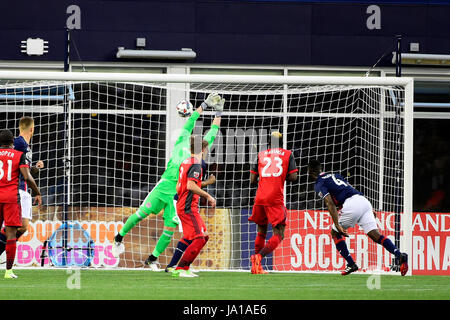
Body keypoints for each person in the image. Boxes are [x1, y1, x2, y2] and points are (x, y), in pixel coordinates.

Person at [112, 93, 224, 270]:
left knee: (170, 228)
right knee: (141, 214)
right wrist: (204, 105)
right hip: (164, 185)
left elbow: (213, 131)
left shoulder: (200, 149)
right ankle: (118, 238)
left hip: (177, 194)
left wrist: (218, 113)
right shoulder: (181, 141)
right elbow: (192, 120)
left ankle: (152, 258)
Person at [307, 159, 409, 276]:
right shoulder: (335, 175)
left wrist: (337, 224)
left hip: (351, 204)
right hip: (363, 201)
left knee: (335, 233)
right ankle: (400, 255)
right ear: (320, 169)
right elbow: (350, 189)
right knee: (375, 235)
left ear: (310, 171)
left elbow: (329, 203)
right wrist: (368, 209)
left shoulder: (319, 183)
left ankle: (351, 263)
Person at [248, 132, 298, 274]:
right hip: (275, 198)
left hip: (260, 197)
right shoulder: (287, 154)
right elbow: (294, 177)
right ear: (281, 143)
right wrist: (281, 176)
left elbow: (252, 180)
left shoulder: (261, 154)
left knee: (261, 230)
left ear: (269, 143)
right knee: (279, 234)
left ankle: (256, 267)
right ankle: (258, 257)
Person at [171, 136, 216, 278]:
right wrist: (208, 196)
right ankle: (181, 267)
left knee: (201, 236)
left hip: (185, 205)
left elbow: (183, 184)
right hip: (188, 206)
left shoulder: (185, 162)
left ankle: (180, 266)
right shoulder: (196, 164)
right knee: (200, 238)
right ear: (203, 150)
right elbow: (190, 186)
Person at [0, 129, 42, 279]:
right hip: (11, 197)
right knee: (11, 234)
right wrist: (37, 192)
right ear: (13, 142)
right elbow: (27, 177)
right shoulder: (19, 155)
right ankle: (8, 272)